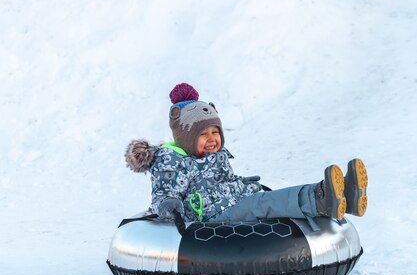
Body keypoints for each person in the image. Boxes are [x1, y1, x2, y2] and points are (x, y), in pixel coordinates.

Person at [125, 83, 368, 229]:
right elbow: (163, 195)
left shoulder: (217, 156)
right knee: (264, 204)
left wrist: (242, 184)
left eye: (215, 132)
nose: (212, 139)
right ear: (186, 137)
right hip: (210, 216)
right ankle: (321, 197)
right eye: (203, 134)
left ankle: (346, 195)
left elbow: (224, 181)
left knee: (270, 200)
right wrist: (169, 205)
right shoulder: (171, 161)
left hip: (229, 202)